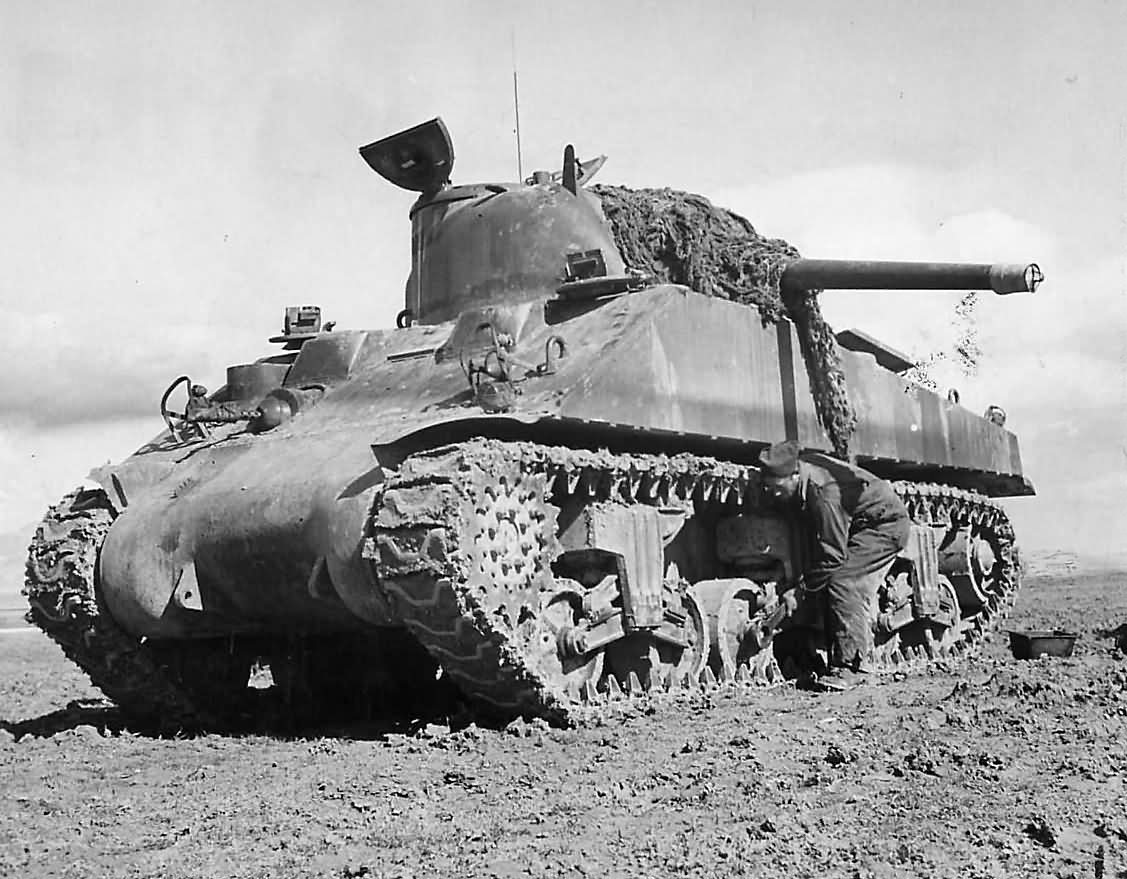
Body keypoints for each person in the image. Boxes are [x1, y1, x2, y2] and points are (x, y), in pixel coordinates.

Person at [759, 439, 911, 690]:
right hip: (856, 524)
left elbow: (832, 557)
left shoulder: (824, 493)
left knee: (843, 580)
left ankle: (854, 667)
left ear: (795, 475)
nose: (773, 494)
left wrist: (800, 590)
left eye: (777, 488)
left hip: (884, 526)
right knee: (823, 574)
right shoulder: (805, 480)